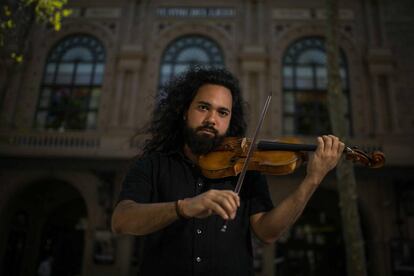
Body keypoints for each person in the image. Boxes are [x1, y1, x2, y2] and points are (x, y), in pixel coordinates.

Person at [111, 67, 345, 276]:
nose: (212, 119)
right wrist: (185, 207)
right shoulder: (152, 164)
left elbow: (268, 231)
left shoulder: (246, 169)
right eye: (203, 107)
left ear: (230, 120)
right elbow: (122, 220)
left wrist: (312, 179)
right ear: (184, 111)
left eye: (223, 113)